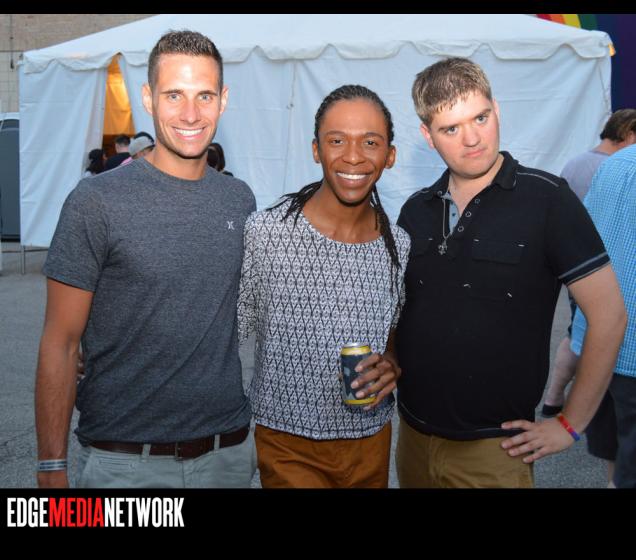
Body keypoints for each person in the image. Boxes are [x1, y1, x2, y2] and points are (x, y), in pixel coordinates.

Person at [35, 30, 257, 489]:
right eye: (174, 95)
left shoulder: (239, 200)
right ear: (148, 98)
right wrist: (51, 467)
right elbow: (60, 342)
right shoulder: (96, 201)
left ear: (223, 101)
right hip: (125, 465)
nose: (191, 114)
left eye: (204, 95)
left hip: (227, 456)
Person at [394, 57, 627, 488]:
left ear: (496, 110)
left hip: (495, 450)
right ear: (428, 136)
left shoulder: (548, 200)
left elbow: (610, 315)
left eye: (480, 118)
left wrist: (570, 423)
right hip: (411, 437)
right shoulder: (415, 211)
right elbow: (406, 312)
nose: (472, 139)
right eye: (451, 129)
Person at [238, 85, 410, 488]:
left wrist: (392, 362)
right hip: (287, 444)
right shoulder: (267, 233)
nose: (353, 156)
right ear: (316, 150)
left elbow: (392, 331)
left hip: (370, 440)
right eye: (337, 141)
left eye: (370, 142)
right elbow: (226, 331)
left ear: (390, 156)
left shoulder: (397, 245)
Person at [542, 109, 636, 420]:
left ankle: (555, 399)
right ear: (628, 133)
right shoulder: (615, 165)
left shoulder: (580, 163)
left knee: (578, 332)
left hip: (581, 272)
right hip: (609, 280)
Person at [569, 144, 636, 488]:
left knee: (616, 452)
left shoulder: (616, 162)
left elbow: (584, 233)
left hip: (599, 337)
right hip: (628, 344)